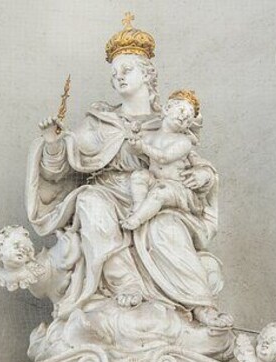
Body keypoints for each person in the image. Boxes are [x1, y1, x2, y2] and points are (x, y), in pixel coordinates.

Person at [26, 16, 232, 329]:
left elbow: (193, 163)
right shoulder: (100, 121)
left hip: (156, 198)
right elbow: (59, 172)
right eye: (114, 73)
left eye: (127, 70)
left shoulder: (168, 124)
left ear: (148, 76)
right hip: (107, 193)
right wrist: (54, 144)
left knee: (166, 229)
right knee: (90, 203)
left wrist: (204, 176)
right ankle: (126, 283)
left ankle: (199, 304)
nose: (118, 78)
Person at [121, 89, 205, 231]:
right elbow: (132, 151)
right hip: (155, 181)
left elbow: (164, 157)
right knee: (139, 175)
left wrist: (142, 146)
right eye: (182, 111)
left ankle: (137, 219)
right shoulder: (149, 136)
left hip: (176, 188)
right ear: (166, 109)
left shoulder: (184, 141)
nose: (185, 118)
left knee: (160, 192)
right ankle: (138, 208)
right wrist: (133, 140)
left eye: (189, 119)